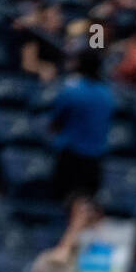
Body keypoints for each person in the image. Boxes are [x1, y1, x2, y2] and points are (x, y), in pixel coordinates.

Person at [48, 47, 115, 202]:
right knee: (86, 204)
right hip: (95, 160)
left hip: (71, 157)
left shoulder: (72, 91)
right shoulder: (107, 94)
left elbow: (55, 123)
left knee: (63, 201)